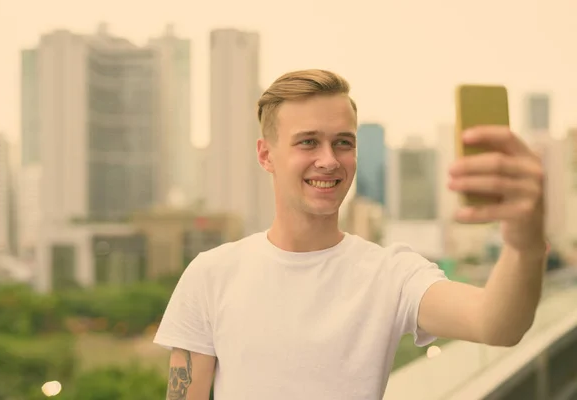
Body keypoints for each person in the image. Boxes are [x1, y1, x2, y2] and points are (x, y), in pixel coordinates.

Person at [154, 69, 547, 400]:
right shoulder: (211, 274)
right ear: (266, 155)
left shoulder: (392, 274)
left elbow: (497, 326)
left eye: (343, 143)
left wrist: (525, 243)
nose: (328, 160)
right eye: (308, 142)